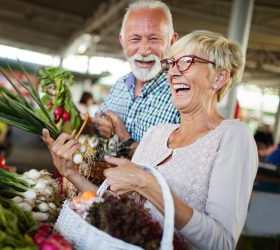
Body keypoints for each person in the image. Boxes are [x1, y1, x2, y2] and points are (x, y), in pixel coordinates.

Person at [43, 30, 259, 249]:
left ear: (219, 77)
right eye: (171, 63)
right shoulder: (156, 134)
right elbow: (125, 212)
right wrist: (71, 172)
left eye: (186, 62)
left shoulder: (232, 136)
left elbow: (221, 243)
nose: (173, 72)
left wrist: (147, 184)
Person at [91, 0, 180, 158]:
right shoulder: (120, 84)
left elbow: (176, 166)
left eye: (154, 39)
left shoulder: (181, 94)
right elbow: (96, 124)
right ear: (122, 41)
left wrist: (123, 137)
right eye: (135, 39)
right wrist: (101, 127)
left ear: (172, 41)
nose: (144, 50)